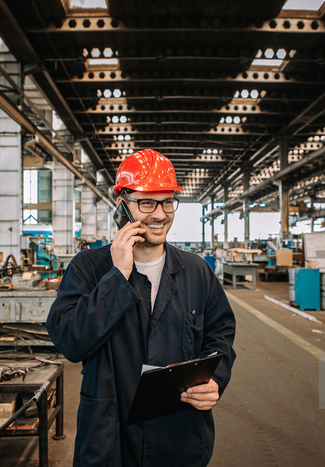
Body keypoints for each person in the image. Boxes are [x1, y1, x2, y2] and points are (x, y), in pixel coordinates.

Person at [46, 148, 236, 466]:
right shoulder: (89, 269)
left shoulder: (197, 271)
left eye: (167, 202)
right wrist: (117, 277)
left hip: (179, 437)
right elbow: (69, 341)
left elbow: (220, 335)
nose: (159, 214)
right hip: (111, 438)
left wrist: (216, 378)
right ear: (123, 205)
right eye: (147, 202)